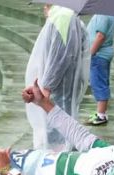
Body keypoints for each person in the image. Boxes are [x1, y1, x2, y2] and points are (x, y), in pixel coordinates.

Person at [25, 4, 90, 151]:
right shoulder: (66, 16)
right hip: (61, 89)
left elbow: (61, 57)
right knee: (60, 126)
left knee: (57, 133)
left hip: (57, 91)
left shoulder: (63, 17)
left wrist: (46, 89)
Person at [85, 14, 114, 126]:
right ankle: (101, 112)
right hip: (102, 54)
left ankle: (101, 114)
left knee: (98, 83)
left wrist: (90, 54)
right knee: (101, 82)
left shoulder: (103, 14)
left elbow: (100, 36)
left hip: (99, 54)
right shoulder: (110, 13)